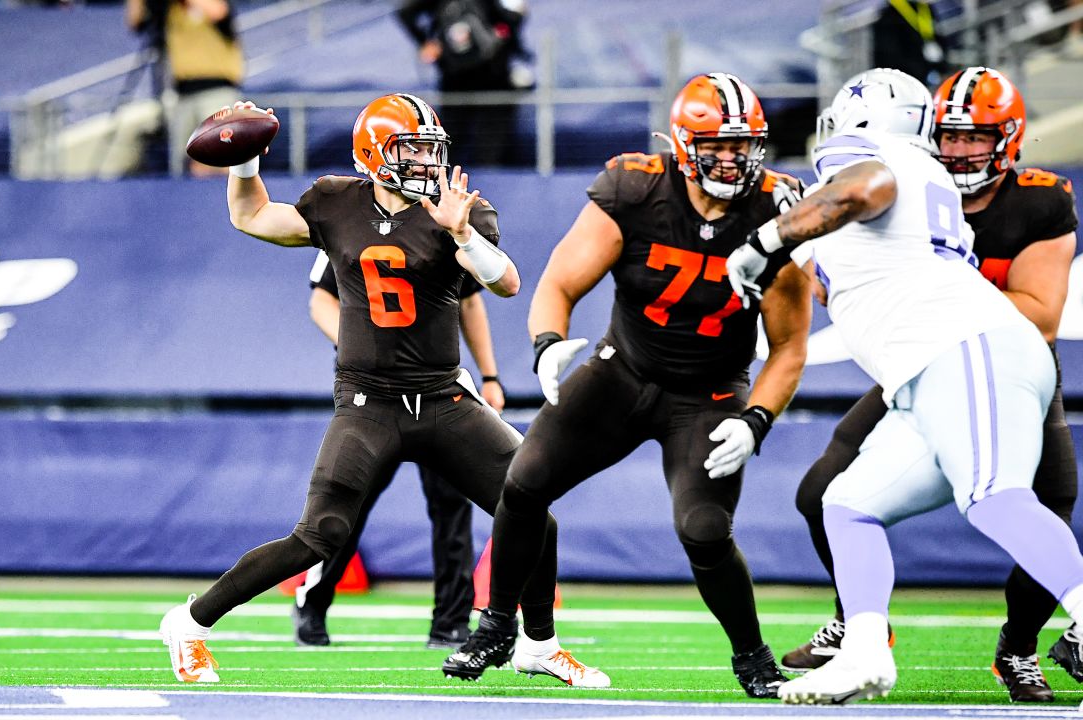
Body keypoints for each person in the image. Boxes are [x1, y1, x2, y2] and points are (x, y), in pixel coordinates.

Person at [158, 93, 585, 685]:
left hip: (444, 400)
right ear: (374, 154)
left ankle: (538, 644)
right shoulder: (338, 201)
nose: (426, 163)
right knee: (320, 535)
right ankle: (191, 622)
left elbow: (508, 282)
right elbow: (252, 216)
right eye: (411, 149)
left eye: (431, 150)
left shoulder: (459, 209)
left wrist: (461, 234)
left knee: (533, 507)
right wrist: (246, 163)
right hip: (367, 401)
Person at [441, 73, 812, 697]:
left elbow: (790, 346)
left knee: (704, 530)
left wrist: (758, 420)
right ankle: (498, 624)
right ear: (681, 144)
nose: (730, 159)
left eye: (741, 145)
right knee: (523, 482)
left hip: (710, 393)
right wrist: (547, 345)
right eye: (716, 145)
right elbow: (557, 284)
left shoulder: (775, 213)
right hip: (623, 372)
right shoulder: (637, 188)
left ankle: (753, 656)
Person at [723, 67, 1083, 705]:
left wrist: (767, 239)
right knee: (848, 503)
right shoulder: (928, 179)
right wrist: (795, 243)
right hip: (926, 370)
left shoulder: (880, 161)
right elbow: (850, 279)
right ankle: (862, 652)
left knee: (996, 498)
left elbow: (868, 186)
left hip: (963, 347)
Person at [293, 250, 506, 649]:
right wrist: (365, 345)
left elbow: (470, 299)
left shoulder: (446, 222)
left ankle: (451, 621)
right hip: (373, 393)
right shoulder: (351, 213)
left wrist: (490, 374)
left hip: (438, 392)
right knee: (346, 505)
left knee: (452, 509)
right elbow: (321, 298)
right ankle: (313, 600)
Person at [397, 0, 530, 166]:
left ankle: (457, 178)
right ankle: (453, 181)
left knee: (467, 141)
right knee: (469, 141)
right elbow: (511, 19)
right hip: (480, 74)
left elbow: (405, 12)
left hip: (477, 74)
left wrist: (425, 42)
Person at [125, 0, 245, 177]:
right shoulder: (169, 12)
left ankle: (227, 200)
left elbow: (219, 12)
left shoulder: (211, 6)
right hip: (182, 94)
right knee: (185, 163)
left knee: (222, 153)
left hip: (217, 91)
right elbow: (136, 22)